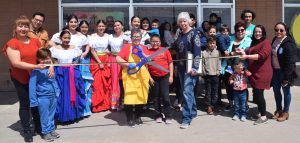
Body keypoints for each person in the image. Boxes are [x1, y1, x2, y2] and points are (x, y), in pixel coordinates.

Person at [3, 15, 48, 142]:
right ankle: (26, 130)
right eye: (20, 26)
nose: (23, 28)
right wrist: (36, 66)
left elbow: (42, 55)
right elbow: (16, 63)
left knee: (36, 103)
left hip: (34, 77)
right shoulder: (12, 43)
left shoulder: (35, 41)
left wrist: (49, 65)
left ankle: (39, 128)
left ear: (29, 28)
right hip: (20, 78)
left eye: (25, 26)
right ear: (15, 28)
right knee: (25, 104)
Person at [50, 15, 92, 117]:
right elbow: (50, 44)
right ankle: (63, 113)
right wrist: (57, 50)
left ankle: (78, 112)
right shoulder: (59, 35)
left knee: (77, 89)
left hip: (75, 67)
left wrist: (84, 53)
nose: (73, 24)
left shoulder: (81, 36)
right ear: (67, 23)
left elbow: (86, 46)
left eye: (75, 22)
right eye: (71, 22)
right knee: (62, 92)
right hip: (61, 69)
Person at [236, 25, 273, 125]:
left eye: (260, 32)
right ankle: (261, 112)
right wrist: (242, 51)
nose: (257, 33)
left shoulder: (266, 43)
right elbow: (249, 51)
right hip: (254, 73)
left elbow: (261, 56)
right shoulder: (254, 42)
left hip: (263, 73)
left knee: (259, 94)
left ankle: (264, 116)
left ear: (263, 32)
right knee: (257, 94)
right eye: (256, 32)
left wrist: (246, 56)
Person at [116, 28, 150, 127]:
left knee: (141, 97)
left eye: (138, 37)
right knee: (129, 98)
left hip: (142, 76)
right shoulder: (127, 47)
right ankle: (130, 118)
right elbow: (118, 58)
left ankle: (138, 117)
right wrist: (127, 64)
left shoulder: (144, 47)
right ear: (131, 38)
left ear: (141, 37)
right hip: (130, 76)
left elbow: (148, 62)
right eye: (134, 37)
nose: (136, 38)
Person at [173, 12, 201, 129]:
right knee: (187, 91)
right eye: (180, 21)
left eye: (184, 21)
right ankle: (193, 112)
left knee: (187, 93)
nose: (182, 23)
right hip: (180, 66)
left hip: (190, 68)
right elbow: (175, 48)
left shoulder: (194, 33)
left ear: (189, 21)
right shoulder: (180, 33)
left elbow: (197, 52)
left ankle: (186, 118)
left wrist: (195, 67)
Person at [50, 30, 85, 123]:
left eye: (68, 38)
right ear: (61, 38)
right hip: (60, 72)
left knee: (73, 93)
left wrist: (76, 62)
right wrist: (55, 62)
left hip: (72, 72)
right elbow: (50, 56)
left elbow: (79, 55)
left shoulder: (74, 47)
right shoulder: (55, 48)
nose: (67, 40)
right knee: (62, 93)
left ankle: (73, 115)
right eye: (65, 38)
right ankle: (62, 115)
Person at [29, 48, 60, 142]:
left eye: (47, 58)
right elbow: (32, 86)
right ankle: (45, 132)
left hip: (53, 95)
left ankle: (51, 129)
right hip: (43, 97)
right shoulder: (36, 71)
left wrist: (57, 91)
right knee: (44, 116)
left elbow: (54, 81)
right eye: (42, 59)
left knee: (51, 114)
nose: (45, 60)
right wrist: (33, 100)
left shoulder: (51, 68)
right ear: (38, 59)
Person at [221, 22, 252, 111]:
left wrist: (235, 53)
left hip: (242, 67)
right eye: (238, 30)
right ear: (235, 31)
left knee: (242, 86)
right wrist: (232, 53)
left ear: (245, 31)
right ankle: (231, 103)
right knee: (229, 85)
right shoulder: (230, 38)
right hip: (229, 67)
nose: (240, 32)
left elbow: (246, 51)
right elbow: (225, 50)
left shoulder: (249, 40)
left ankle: (244, 104)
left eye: (242, 30)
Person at [270, 22, 297, 122]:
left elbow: (291, 61)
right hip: (275, 71)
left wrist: (287, 77)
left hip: (284, 72)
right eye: (276, 30)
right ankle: (279, 110)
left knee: (286, 92)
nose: (279, 32)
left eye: (281, 30)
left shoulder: (289, 43)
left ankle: (286, 112)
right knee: (276, 92)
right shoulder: (274, 40)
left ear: (286, 31)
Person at [147, 35, 174, 124]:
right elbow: (145, 66)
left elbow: (170, 63)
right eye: (153, 41)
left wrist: (171, 76)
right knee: (155, 97)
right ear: (150, 42)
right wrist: (149, 78)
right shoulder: (147, 51)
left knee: (166, 97)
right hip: (153, 77)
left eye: (157, 41)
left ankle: (168, 115)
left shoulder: (165, 50)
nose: (155, 43)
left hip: (164, 77)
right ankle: (158, 115)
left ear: (160, 42)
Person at [89, 20, 112, 112]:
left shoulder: (108, 36)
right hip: (96, 60)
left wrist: (110, 54)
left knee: (106, 83)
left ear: (105, 27)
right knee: (97, 83)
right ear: (96, 27)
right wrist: (99, 62)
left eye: (103, 26)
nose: (101, 28)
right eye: (99, 26)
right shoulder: (92, 36)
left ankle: (106, 104)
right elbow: (92, 51)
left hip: (106, 59)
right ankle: (97, 105)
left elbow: (111, 47)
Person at [202, 35, 221, 115]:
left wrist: (218, 71)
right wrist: (203, 72)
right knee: (208, 91)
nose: (212, 45)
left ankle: (214, 105)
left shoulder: (217, 52)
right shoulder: (204, 53)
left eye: (213, 43)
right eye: (210, 43)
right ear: (207, 43)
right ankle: (208, 106)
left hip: (215, 75)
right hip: (207, 75)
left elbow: (219, 62)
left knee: (215, 91)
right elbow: (202, 64)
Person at [108, 20, 124, 110]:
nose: (116, 27)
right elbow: (105, 47)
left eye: (118, 25)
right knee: (115, 81)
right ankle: (115, 103)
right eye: (115, 26)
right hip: (113, 60)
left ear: (122, 26)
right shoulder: (110, 37)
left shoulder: (126, 36)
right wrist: (109, 53)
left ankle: (124, 102)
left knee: (123, 81)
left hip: (122, 59)